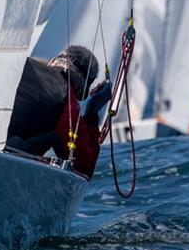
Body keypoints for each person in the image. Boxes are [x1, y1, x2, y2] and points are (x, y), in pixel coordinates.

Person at [6, 45, 111, 179]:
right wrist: (92, 112)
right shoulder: (65, 101)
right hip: (2, 158)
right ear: (82, 84)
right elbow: (83, 167)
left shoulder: (23, 65)